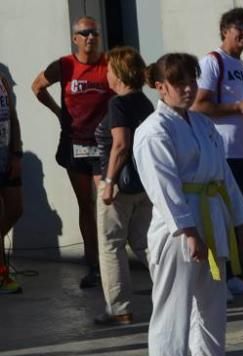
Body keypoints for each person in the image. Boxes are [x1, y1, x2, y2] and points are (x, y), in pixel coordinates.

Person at [133, 53, 243, 356]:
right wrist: (187, 230)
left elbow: (223, 177)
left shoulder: (202, 124)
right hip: (177, 230)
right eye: (179, 82)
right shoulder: (153, 130)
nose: (188, 88)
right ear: (160, 87)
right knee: (173, 308)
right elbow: (163, 188)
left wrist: (241, 220)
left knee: (213, 303)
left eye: (191, 80)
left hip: (213, 216)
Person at [31, 15, 114, 288]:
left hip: (103, 145)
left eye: (95, 33)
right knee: (86, 205)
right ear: (75, 38)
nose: (91, 37)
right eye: (85, 33)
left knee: (106, 203)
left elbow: (130, 87)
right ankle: (94, 267)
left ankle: (112, 263)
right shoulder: (65, 65)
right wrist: (58, 113)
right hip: (74, 143)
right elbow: (37, 87)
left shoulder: (110, 64)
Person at [192, 6, 243, 297]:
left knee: (237, 217)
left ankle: (233, 275)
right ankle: (217, 278)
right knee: (218, 219)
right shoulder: (212, 62)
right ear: (225, 30)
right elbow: (199, 105)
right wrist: (239, 107)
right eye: (240, 26)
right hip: (222, 154)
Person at [93, 46, 154, 325]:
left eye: (108, 69)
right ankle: (180, 285)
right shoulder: (144, 101)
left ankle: (119, 309)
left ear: (118, 73)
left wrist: (108, 182)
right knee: (144, 243)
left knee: (111, 245)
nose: (105, 74)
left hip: (119, 187)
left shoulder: (118, 104)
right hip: (142, 185)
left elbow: (121, 144)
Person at [0, 65, 23, 294]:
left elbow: (13, 119)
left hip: (6, 157)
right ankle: (2, 276)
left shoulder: (2, 79)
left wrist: (17, 153)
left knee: (16, 209)